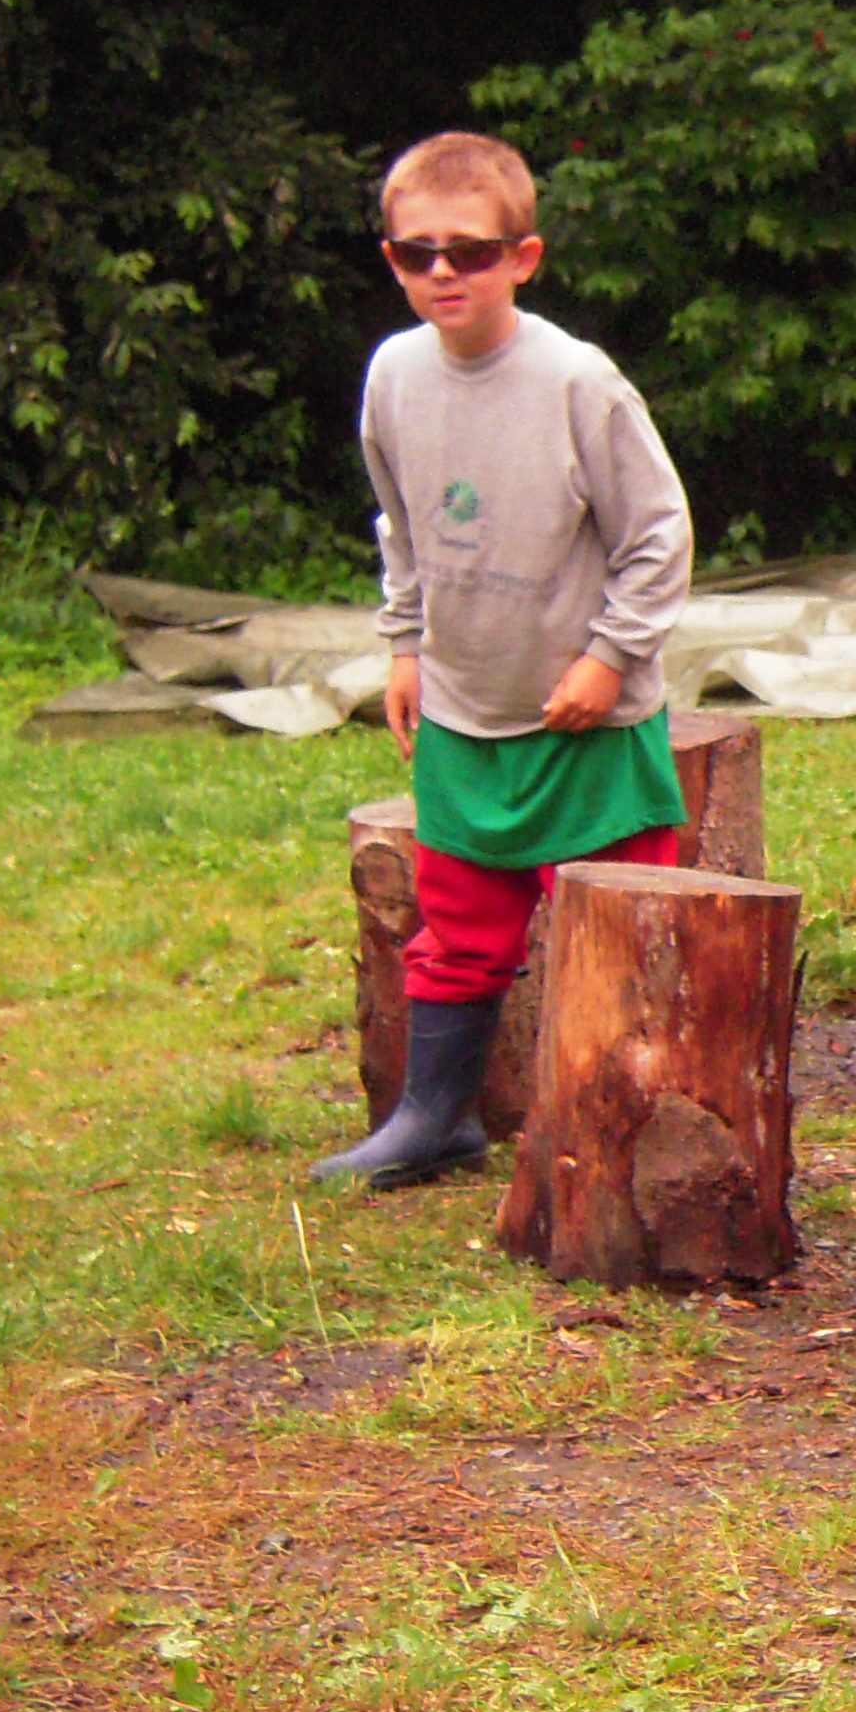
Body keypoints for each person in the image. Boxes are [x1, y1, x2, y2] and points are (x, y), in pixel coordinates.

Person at [317, 131, 692, 1188]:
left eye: (471, 252)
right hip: (465, 709)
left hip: (587, 721)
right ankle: (436, 1118)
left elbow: (659, 534)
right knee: (458, 927)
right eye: (417, 253)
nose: (444, 272)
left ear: (522, 258)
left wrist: (611, 659)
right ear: (391, 259)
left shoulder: (578, 381)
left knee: (616, 931)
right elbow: (399, 525)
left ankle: (623, 1134)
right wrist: (405, 646)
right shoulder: (394, 375)